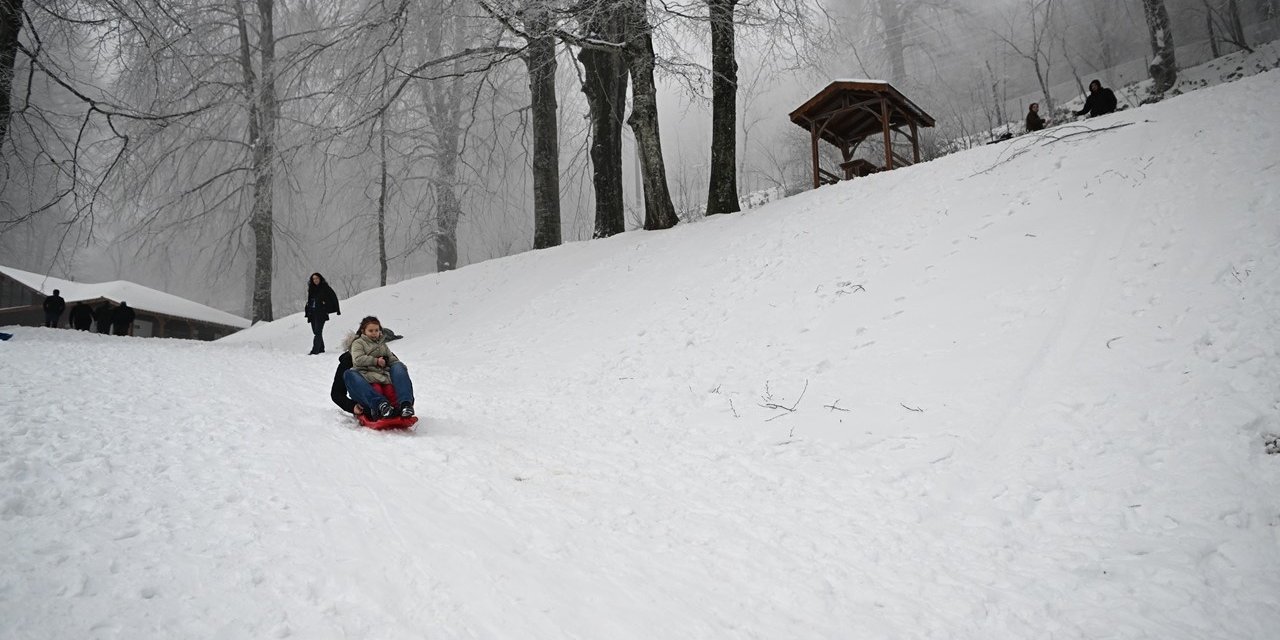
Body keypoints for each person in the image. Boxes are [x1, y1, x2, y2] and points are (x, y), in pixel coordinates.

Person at [345, 316, 415, 419]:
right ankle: (381, 406)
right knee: (353, 376)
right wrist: (376, 361)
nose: (374, 333)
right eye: (371, 331)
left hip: (382, 376)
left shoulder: (382, 344)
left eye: (376, 330)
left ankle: (405, 405)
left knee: (397, 370)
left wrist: (400, 368)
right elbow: (358, 359)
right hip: (367, 376)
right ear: (363, 331)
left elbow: (391, 358)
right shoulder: (358, 343)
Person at [304, 272, 341, 355]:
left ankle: (315, 350)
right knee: (316, 331)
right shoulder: (311, 289)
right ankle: (321, 348)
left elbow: (333, 297)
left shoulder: (325, 288)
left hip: (321, 313)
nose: (315, 280)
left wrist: (329, 307)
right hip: (312, 313)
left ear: (320, 279)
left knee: (317, 331)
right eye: (313, 279)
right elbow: (310, 300)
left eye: (317, 278)